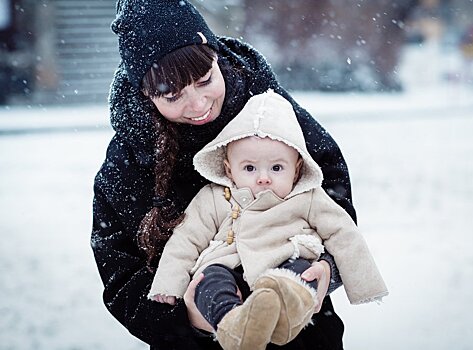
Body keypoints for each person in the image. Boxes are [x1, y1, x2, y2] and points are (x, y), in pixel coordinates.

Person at [91, 0, 359, 349]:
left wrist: (327, 266)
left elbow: (330, 189)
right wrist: (185, 321)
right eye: (173, 96)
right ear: (146, 94)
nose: (199, 105)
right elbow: (120, 273)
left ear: (216, 56)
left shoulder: (268, 111)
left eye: (204, 81)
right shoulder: (127, 163)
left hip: (302, 332)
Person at [148, 90, 388, 350]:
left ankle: (286, 314)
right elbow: (186, 239)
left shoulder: (307, 196)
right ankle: (234, 324)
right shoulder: (216, 196)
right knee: (209, 283)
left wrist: (363, 283)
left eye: (277, 168)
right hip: (227, 263)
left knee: (297, 276)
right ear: (229, 169)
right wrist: (169, 284)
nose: (263, 178)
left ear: (296, 169)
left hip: (287, 256)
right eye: (249, 168)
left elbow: (343, 233)